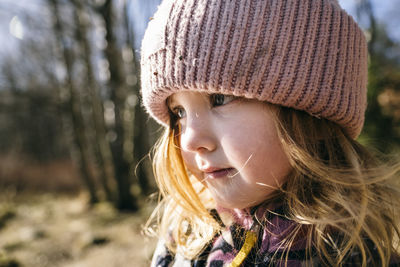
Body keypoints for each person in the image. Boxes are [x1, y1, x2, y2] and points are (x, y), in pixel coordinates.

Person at [140, 0, 400, 266]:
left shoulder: (346, 255)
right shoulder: (187, 238)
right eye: (179, 113)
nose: (192, 140)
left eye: (220, 98)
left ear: (312, 117)